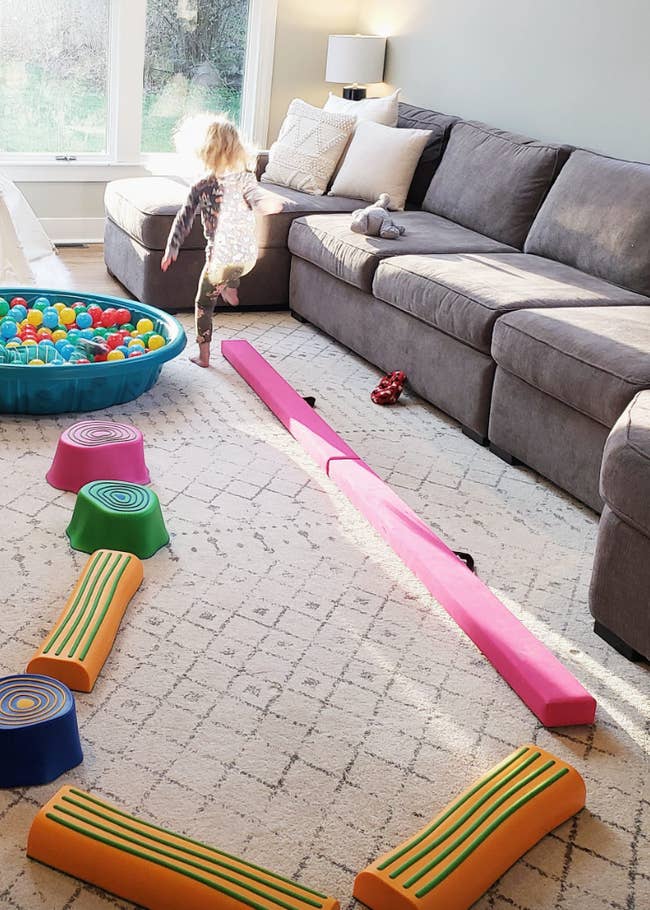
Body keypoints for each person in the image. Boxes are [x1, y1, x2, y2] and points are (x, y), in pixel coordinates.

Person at [161, 115, 260, 368]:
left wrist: (172, 248)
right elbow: (256, 198)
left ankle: (203, 357)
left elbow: (183, 219)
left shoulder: (201, 186)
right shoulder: (247, 178)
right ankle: (231, 286)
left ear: (204, 153)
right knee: (235, 256)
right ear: (237, 150)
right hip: (248, 257)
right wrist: (265, 204)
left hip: (220, 260)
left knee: (203, 303)